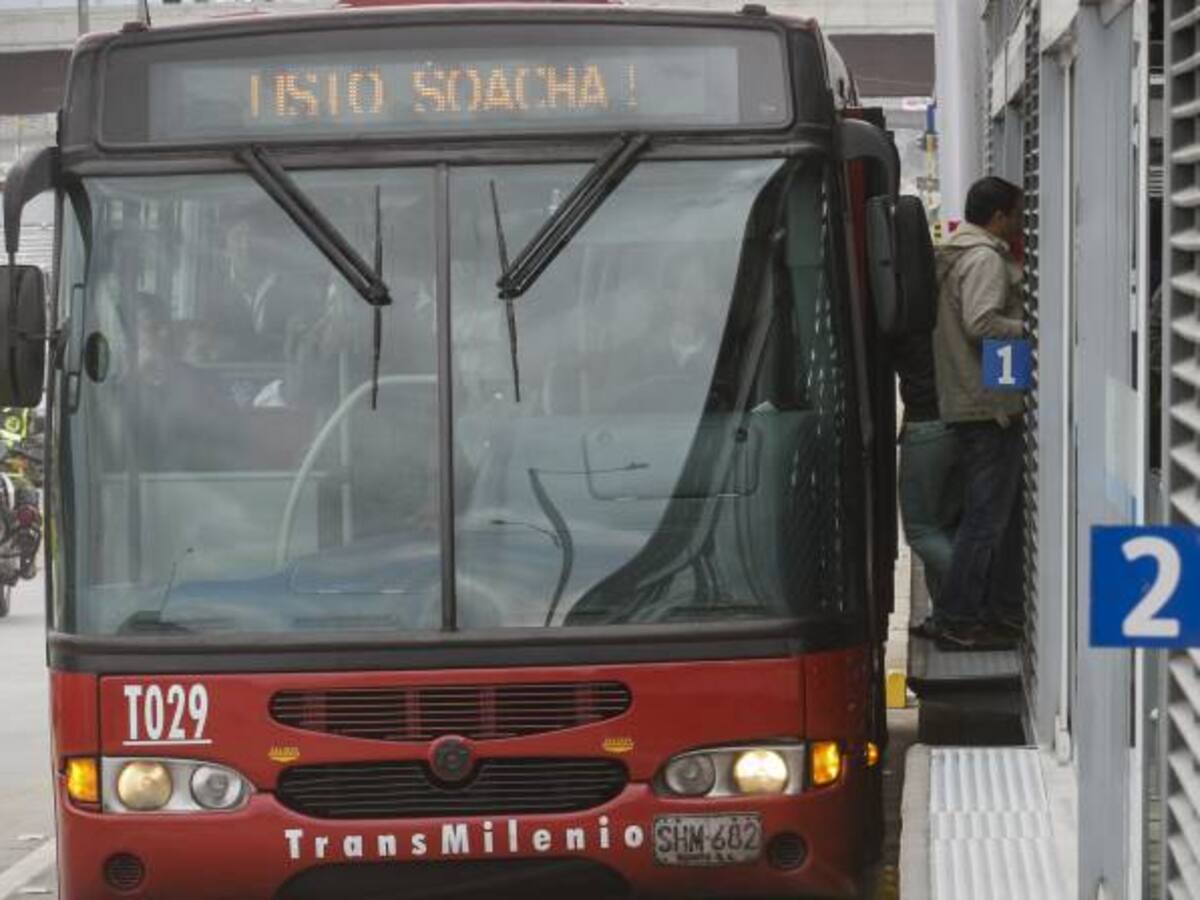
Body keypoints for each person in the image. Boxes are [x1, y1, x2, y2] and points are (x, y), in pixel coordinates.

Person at [929, 177, 1027, 651]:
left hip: (979, 398)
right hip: (986, 406)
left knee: (994, 517)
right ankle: (958, 615)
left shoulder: (956, 252)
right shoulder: (985, 257)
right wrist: (1035, 327)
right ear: (999, 217)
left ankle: (996, 611)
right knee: (986, 520)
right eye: (1017, 213)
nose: (1021, 221)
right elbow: (983, 322)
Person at [894, 327, 963, 636]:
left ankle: (972, 596)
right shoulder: (942, 300)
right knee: (941, 527)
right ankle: (946, 614)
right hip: (952, 421)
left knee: (920, 530)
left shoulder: (914, 310)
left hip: (926, 424)